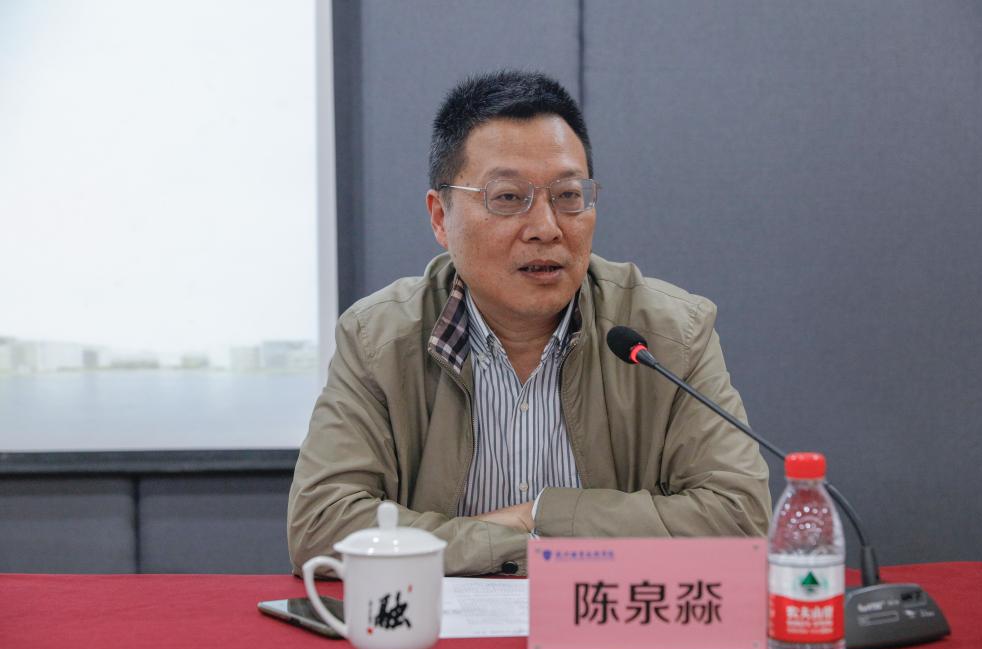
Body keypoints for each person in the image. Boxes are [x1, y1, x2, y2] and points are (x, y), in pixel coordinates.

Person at [288, 70, 770, 577]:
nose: (546, 228)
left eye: (568, 196)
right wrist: (514, 540)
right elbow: (322, 525)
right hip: (440, 624)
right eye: (507, 197)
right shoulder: (377, 338)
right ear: (440, 217)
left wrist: (543, 515)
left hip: (603, 621)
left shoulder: (670, 334)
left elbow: (738, 519)